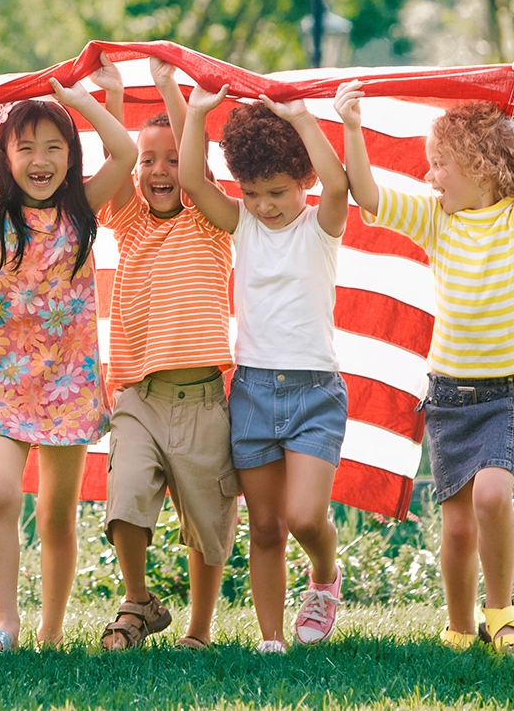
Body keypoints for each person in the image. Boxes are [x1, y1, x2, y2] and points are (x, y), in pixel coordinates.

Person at [339, 59, 514, 654]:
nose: (431, 175)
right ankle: (458, 625)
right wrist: (351, 126)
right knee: (454, 528)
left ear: (481, 164)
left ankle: (501, 613)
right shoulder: (436, 220)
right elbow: (368, 193)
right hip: (450, 395)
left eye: (441, 163)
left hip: (507, 394)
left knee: (491, 498)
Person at [0, 73, 138, 652]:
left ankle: (50, 631)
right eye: (25, 147)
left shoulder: (82, 210)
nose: (40, 159)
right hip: (0, 375)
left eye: (54, 146)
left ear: (72, 156)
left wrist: (80, 103)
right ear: (3, 155)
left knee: (56, 512)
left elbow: (124, 152)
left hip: (67, 378)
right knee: (0, 492)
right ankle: (5, 623)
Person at [179, 81, 349, 653]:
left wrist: (302, 118)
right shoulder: (243, 224)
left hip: (314, 393)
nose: (265, 205)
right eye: (252, 193)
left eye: (277, 191)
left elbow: (340, 181)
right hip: (251, 391)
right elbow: (192, 181)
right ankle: (272, 638)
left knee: (304, 518)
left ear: (301, 180)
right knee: (268, 527)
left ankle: (325, 573)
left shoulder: (321, 227)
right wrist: (198, 114)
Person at [88, 56, 238, 650]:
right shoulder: (128, 222)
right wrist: (116, 96)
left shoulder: (209, 221)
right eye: (150, 160)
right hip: (138, 395)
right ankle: (138, 598)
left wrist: (172, 89)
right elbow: (117, 155)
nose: (158, 169)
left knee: (208, 524)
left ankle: (198, 630)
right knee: (124, 501)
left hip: (203, 398)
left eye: (172, 159)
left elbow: (196, 170)